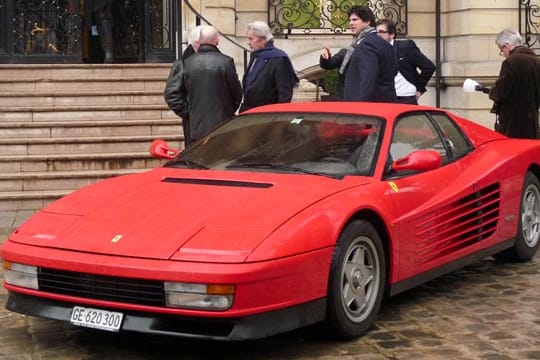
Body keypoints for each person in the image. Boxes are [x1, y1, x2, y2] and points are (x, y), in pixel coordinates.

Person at [180, 25, 243, 142]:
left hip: (196, 127)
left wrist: (190, 112)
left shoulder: (187, 63)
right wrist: (228, 110)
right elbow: (237, 93)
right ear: (217, 41)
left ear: (200, 41)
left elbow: (181, 92)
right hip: (222, 125)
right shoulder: (226, 62)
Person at [489, 29, 540, 139]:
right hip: (532, 124)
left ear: (506, 45)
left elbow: (501, 92)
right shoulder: (536, 61)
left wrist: (492, 92)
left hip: (512, 125)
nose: (503, 54)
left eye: (501, 50)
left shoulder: (510, 62)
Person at [339, 6, 397, 102]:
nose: (351, 23)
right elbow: (393, 71)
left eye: (355, 20)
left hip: (367, 107)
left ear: (368, 22)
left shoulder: (367, 44)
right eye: (350, 20)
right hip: (385, 101)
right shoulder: (384, 43)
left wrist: (362, 106)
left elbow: (368, 78)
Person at [239, 21, 298, 112]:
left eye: (251, 39)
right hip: (250, 112)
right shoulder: (256, 55)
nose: (248, 43)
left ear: (263, 39)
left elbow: (284, 94)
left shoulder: (279, 58)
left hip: (267, 114)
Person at [375, 19, 435, 105]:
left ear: (391, 34)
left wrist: (419, 89)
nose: (378, 35)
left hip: (405, 98)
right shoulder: (374, 51)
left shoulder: (405, 47)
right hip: (383, 99)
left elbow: (429, 67)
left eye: (381, 32)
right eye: (376, 33)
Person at [164, 26, 201, 147]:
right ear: (197, 43)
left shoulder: (216, 61)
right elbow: (172, 94)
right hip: (193, 123)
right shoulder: (182, 63)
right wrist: (189, 112)